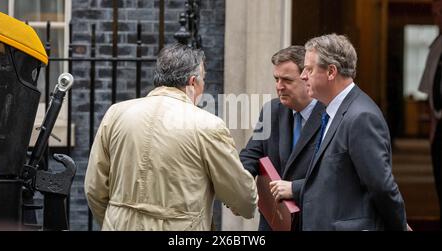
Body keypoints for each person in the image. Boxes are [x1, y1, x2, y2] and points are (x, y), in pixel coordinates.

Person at [84, 43, 258, 231]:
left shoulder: (116, 113)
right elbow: (242, 197)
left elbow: (94, 189)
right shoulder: (208, 125)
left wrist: (114, 221)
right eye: (203, 80)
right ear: (192, 82)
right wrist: (247, 204)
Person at [298, 34, 407, 231]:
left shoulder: (361, 117)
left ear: (331, 71)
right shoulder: (330, 111)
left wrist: (399, 226)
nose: (302, 76)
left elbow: (381, 187)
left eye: (309, 69)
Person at [239, 46, 325, 231]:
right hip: (274, 221)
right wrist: (238, 187)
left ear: (307, 77)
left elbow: (336, 176)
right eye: (276, 79)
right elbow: (251, 155)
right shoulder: (272, 110)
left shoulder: (331, 115)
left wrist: (295, 188)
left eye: (286, 80)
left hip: (313, 221)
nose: (279, 86)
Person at [418, 0, 442, 229]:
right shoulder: (436, 46)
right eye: (434, 11)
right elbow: (430, 89)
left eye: (440, 10)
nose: (436, 15)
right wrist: (433, 126)